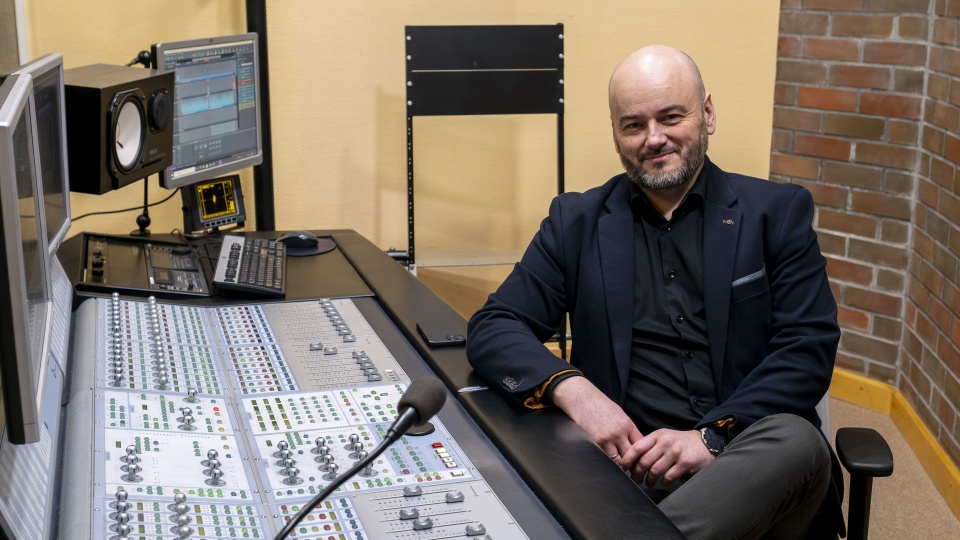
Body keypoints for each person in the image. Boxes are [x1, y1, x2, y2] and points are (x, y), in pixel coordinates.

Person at [466, 45, 844, 539]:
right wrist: (576, 391)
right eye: (633, 125)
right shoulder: (575, 222)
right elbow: (494, 326)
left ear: (707, 114)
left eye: (671, 117)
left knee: (797, 440)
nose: (654, 138)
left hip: (746, 462)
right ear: (616, 134)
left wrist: (708, 439)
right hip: (629, 471)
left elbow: (807, 349)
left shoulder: (777, 213)